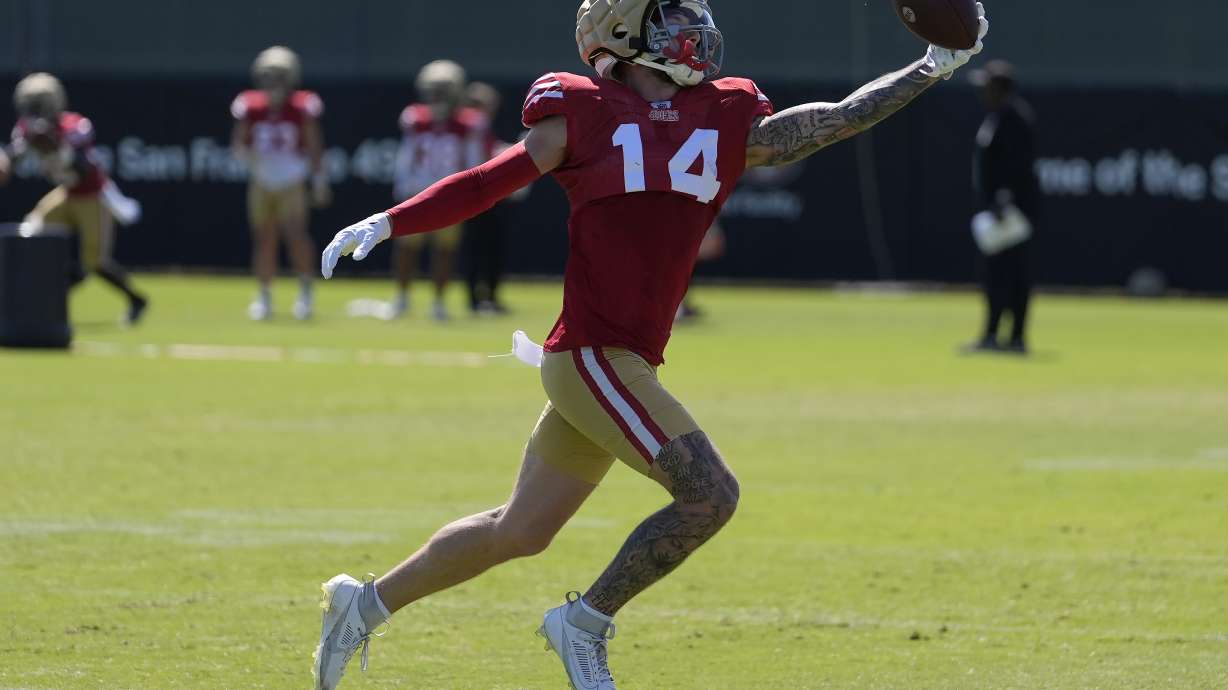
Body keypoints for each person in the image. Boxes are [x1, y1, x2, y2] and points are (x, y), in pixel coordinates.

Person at [313, 2, 989, 688]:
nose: (691, 29)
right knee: (710, 496)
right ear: (621, 30)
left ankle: (361, 604)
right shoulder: (583, 110)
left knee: (519, 531)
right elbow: (493, 180)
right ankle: (584, 623)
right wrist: (391, 221)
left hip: (622, 359)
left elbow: (839, 117)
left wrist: (931, 66)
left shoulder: (723, 112)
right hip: (592, 354)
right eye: (669, 18)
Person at [0, 72, 148, 324]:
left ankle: (136, 299)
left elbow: (84, 169)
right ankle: (43, 293)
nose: (34, 111)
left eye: (38, 105)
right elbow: (12, 157)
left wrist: (58, 146)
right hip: (66, 194)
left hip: (92, 195)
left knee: (95, 261)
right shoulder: (25, 130)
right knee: (30, 230)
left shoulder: (74, 126)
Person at [231, 46, 329, 321]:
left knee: (296, 235)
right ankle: (264, 295)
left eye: (279, 77)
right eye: (269, 77)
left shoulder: (302, 106)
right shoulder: (250, 105)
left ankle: (306, 291)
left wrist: (319, 180)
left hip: (291, 179)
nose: (274, 83)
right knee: (264, 238)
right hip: (262, 180)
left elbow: (314, 144)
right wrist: (248, 157)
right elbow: (239, 141)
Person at [390, 60, 492, 321]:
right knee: (406, 247)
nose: (437, 97)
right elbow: (407, 155)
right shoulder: (415, 118)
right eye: (434, 90)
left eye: (443, 91)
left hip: (450, 193)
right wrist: (403, 185)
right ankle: (401, 298)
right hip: (417, 190)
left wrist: (471, 192)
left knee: (445, 249)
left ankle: (438, 302)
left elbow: (474, 160)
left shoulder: (469, 123)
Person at [967, 59, 1038, 354]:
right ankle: (995, 335)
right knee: (997, 274)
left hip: (1012, 213)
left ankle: (1013, 337)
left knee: (1010, 274)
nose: (982, 91)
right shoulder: (997, 117)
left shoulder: (1014, 119)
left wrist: (1003, 200)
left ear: (1000, 88)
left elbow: (1018, 165)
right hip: (1001, 210)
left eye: (987, 85)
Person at [462, 81, 521, 316]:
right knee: (475, 248)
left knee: (494, 248)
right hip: (474, 196)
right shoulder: (469, 127)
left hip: (494, 197)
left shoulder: (484, 128)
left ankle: (491, 297)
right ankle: (474, 300)